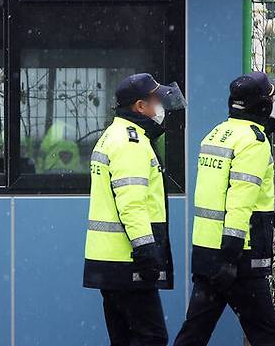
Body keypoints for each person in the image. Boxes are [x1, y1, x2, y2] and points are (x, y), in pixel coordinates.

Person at [174, 72, 275, 346]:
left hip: (207, 251)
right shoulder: (253, 142)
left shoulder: (218, 133)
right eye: (271, 98)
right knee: (269, 337)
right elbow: (239, 198)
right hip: (240, 256)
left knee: (193, 334)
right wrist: (230, 257)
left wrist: (270, 217)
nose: (274, 103)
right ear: (262, 106)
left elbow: (221, 194)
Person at [84, 73, 185, 346]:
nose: (161, 107)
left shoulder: (112, 135)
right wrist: (145, 251)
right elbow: (132, 203)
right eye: (156, 100)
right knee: (151, 337)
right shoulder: (132, 143)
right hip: (128, 260)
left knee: (124, 338)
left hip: (110, 261)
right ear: (140, 106)